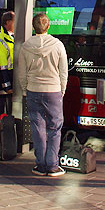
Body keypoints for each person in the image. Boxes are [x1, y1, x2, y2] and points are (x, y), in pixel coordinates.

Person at [17, 12, 68, 177]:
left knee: (37, 127)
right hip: (53, 90)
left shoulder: (26, 46)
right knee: (55, 127)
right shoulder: (58, 45)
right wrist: (62, 90)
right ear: (48, 26)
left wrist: (25, 89)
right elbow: (63, 72)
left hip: (33, 90)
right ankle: (52, 165)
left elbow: (22, 73)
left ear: (33, 27)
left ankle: (40, 164)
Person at [0, 11, 15, 114]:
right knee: (4, 115)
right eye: (14, 21)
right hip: (5, 87)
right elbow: (2, 67)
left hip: (12, 83)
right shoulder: (0, 41)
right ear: (7, 22)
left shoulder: (12, 38)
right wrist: (7, 86)